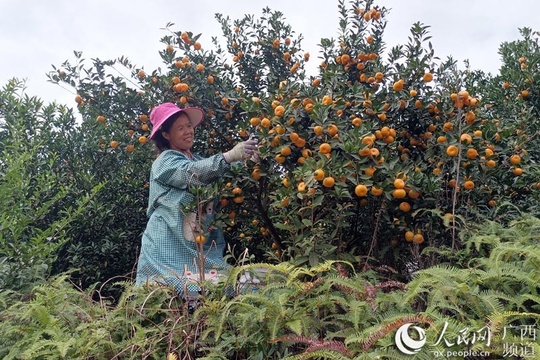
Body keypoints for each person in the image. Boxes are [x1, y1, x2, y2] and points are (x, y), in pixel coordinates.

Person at [135, 102, 258, 299]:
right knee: (170, 294)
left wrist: (246, 159)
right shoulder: (165, 161)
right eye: (180, 128)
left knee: (229, 287)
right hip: (167, 244)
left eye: (189, 126)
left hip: (198, 245)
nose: (188, 131)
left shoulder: (196, 159)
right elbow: (190, 174)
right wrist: (229, 156)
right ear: (166, 135)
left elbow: (218, 175)